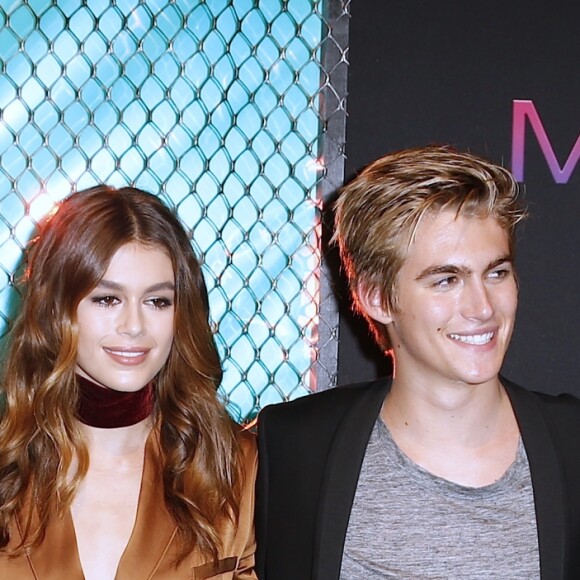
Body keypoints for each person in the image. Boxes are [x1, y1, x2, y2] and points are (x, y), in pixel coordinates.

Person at [256, 145, 580, 579]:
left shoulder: (572, 445)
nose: (482, 307)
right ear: (376, 297)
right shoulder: (295, 446)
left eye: (496, 273)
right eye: (447, 280)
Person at [0, 186, 257, 578]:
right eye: (107, 299)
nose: (134, 326)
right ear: (55, 309)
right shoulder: (7, 467)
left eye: (157, 301)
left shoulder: (238, 469)